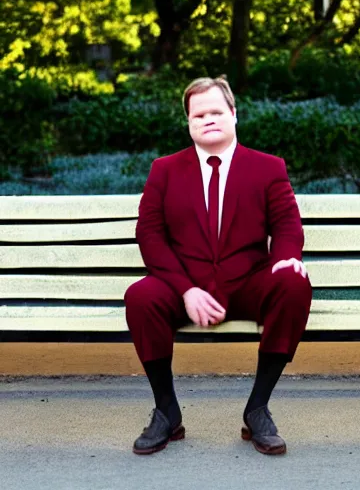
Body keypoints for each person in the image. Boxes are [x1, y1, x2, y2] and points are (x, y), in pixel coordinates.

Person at [124, 76, 312, 456]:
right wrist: (185, 289)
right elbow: (150, 235)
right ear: (189, 123)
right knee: (140, 296)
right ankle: (166, 411)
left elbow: (287, 225)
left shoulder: (267, 168)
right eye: (199, 115)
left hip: (247, 284)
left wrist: (286, 259)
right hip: (185, 286)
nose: (208, 119)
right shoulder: (164, 169)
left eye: (216, 111)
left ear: (234, 114)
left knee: (293, 284)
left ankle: (257, 407)